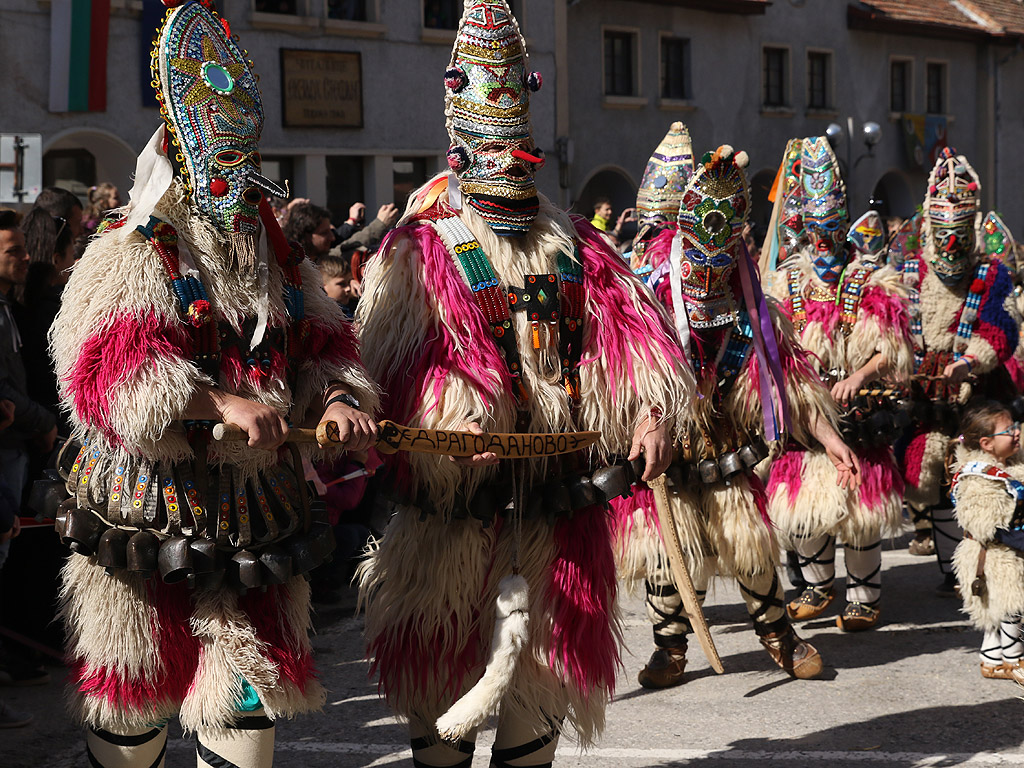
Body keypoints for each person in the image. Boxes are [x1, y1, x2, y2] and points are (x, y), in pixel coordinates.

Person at [356, 3, 692, 765]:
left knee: (533, 728)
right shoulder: (420, 250)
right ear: (463, 146)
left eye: (520, 146)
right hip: (450, 528)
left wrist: (650, 410)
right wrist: (453, 423)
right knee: (442, 731)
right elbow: (393, 369)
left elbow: (636, 339)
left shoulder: (577, 242)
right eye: (493, 147)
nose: (510, 163)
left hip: (556, 525)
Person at [49, 3, 379, 766]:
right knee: (136, 717)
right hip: (148, 508)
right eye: (218, 169)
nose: (234, 188)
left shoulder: (278, 257)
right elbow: (105, 373)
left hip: (256, 509)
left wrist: (333, 396)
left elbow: (324, 343)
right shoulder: (132, 250)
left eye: (243, 166)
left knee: (244, 713)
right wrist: (216, 401)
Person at [617, 130, 856, 689]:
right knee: (666, 555)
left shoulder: (751, 306)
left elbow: (787, 381)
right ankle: (669, 649)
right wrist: (647, 416)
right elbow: (620, 365)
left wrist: (829, 438)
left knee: (749, 545)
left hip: (722, 444)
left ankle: (779, 637)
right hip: (661, 440)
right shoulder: (645, 291)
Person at [765, 137, 913, 632]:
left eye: (831, 230)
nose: (824, 241)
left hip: (859, 414)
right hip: (807, 413)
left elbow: (892, 348)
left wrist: (858, 376)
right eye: (816, 231)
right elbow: (776, 348)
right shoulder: (788, 283)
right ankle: (817, 585)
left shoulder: (872, 279)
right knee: (801, 510)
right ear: (805, 228)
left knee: (860, 511)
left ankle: (865, 596)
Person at [897, 148, 1022, 594]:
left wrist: (970, 361)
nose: (951, 246)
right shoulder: (906, 270)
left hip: (977, 393)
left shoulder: (992, 274)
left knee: (975, 475)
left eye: (960, 235)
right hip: (919, 395)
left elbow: (1001, 326)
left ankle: (973, 566)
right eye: (943, 234)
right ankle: (949, 563)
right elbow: (887, 322)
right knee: (923, 470)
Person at [949, 401, 1024, 679]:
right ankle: (1014, 660)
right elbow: (987, 525)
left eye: (1016, 426)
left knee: (1000, 611)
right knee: (1010, 608)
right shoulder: (979, 476)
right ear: (987, 443)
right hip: (992, 557)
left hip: (1005, 551)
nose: (1016, 432)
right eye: (1009, 430)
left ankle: (992, 660)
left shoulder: (1010, 466)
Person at [20, 208, 76, 428]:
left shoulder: (20, 302)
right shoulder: (56, 310)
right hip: (51, 423)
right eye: (72, 255)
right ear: (56, 259)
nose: (74, 264)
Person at [319, 253, 356, 318]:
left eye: (348, 282)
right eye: (341, 284)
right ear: (322, 285)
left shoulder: (353, 309)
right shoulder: (321, 317)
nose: (348, 288)